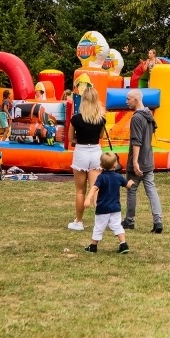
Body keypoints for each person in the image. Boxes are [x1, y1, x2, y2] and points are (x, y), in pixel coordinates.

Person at [67, 86, 107, 231]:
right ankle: (100, 222)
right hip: (96, 152)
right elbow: (101, 137)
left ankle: (78, 222)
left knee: (80, 191)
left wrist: (80, 139)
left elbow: (71, 138)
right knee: (95, 188)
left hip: (81, 152)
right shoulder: (101, 119)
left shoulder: (76, 119)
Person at [123, 89, 163, 234]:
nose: (126, 101)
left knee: (131, 189)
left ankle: (129, 220)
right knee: (151, 190)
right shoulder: (149, 115)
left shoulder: (136, 118)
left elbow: (136, 141)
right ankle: (158, 221)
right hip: (148, 159)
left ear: (136, 100)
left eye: (128, 99)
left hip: (139, 160)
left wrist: (134, 161)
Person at [83, 152, 135, 254]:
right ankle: (123, 244)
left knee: (99, 227)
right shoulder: (118, 177)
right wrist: (130, 183)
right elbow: (127, 185)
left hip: (102, 208)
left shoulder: (101, 177)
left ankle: (93, 246)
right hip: (115, 208)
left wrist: (88, 198)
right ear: (115, 164)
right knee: (117, 226)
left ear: (101, 165)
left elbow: (94, 188)